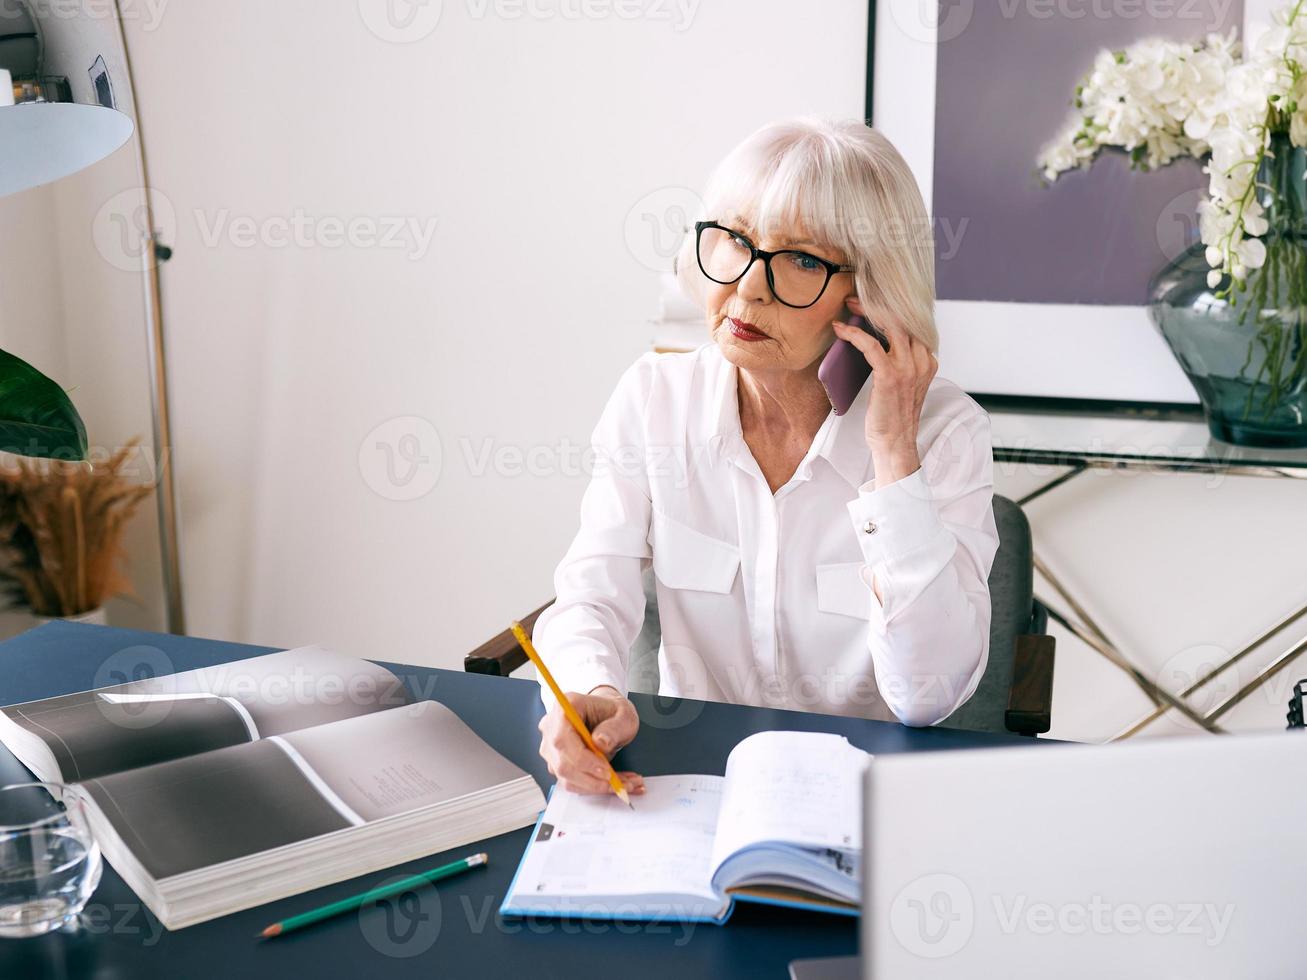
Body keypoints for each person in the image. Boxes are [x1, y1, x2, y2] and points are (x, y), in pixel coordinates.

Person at [536, 116, 999, 796]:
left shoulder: (943, 434)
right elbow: (589, 595)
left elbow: (925, 697)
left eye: (802, 260)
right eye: (734, 242)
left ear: (869, 297)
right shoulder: (653, 399)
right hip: (693, 783)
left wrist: (893, 454)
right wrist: (587, 692)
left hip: (870, 798)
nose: (749, 287)